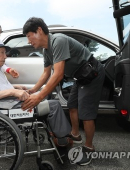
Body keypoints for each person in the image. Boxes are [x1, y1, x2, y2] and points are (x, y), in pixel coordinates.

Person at [22, 17, 105, 165]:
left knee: (86, 114)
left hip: (92, 73)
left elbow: (58, 74)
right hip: (80, 77)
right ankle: (75, 134)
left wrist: (39, 97)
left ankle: (89, 148)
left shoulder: (58, 41)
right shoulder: (46, 50)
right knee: (72, 105)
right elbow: (46, 73)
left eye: (29, 36)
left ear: (39, 30)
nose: (28, 41)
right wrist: (33, 90)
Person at [0, 38, 72, 143]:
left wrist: (15, 87)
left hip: (9, 103)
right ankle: (62, 140)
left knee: (46, 96)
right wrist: (12, 92)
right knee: (54, 105)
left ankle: (55, 134)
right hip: (5, 110)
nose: (5, 56)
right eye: (2, 53)